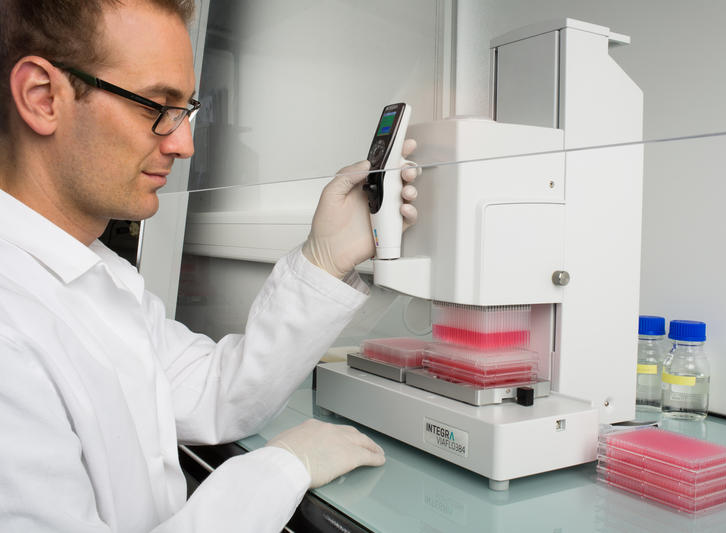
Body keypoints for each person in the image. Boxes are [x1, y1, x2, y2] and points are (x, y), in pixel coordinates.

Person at [0, 0, 419, 531]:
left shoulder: (92, 274)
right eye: (157, 105)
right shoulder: (9, 327)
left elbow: (213, 391)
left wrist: (324, 258)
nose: (184, 144)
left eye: (185, 110)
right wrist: (275, 471)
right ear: (43, 98)